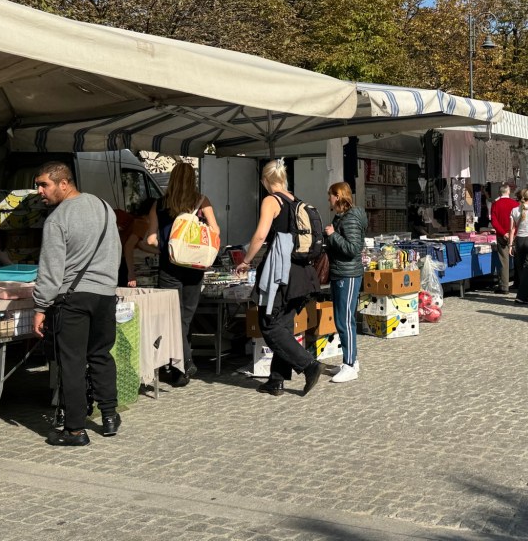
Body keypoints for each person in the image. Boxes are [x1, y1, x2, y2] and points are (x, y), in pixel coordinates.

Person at [32, 162, 122, 446]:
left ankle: (74, 430)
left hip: (73, 297)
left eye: (44, 185)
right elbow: (115, 249)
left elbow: (50, 269)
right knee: (101, 355)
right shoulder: (104, 207)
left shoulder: (57, 219)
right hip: (105, 294)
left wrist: (40, 307)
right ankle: (109, 416)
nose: (39, 191)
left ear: (64, 183)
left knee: (72, 363)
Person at [235, 159, 322, 396]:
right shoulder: (295, 200)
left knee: (269, 325)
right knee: (283, 324)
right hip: (303, 273)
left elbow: (260, 234)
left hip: (282, 275)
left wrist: (246, 260)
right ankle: (276, 380)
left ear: (265, 180)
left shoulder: (271, 201)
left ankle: (309, 365)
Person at [146, 162, 220, 387]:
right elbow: (216, 232)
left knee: (171, 318)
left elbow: (150, 239)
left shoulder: (159, 204)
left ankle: (181, 365)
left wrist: (167, 245)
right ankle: (182, 367)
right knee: (185, 319)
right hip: (194, 267)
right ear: (192, 180)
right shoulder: (201, 201)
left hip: (169, 268)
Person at [324, 182, 367, 383]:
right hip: (341, 272)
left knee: (345, 320)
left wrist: (332, 235)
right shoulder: (342, 217)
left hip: (347, 274)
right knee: (343, 318)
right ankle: (351, 360)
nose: (329, 200)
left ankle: (350, 365)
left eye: (331, 196)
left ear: (338, 196)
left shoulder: (349, 219)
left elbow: (352, 248)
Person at [115, 198, 156, 288]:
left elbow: (139, 244)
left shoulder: (137, 220)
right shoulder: (143, 223)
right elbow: (128, 247)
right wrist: (131, 273)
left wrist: (159, 251)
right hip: (121, 262)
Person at [490, 184, 519, 295]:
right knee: (518, 260)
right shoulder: (515, 204)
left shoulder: (496, 205)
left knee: (504, 260)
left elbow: (494, 221)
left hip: (502, 236)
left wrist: (503, 233)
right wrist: (513, 233)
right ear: (508, 191)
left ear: (499, 192)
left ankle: (504, 286)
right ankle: (519, 283)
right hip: (515, 235)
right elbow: (518, 220)